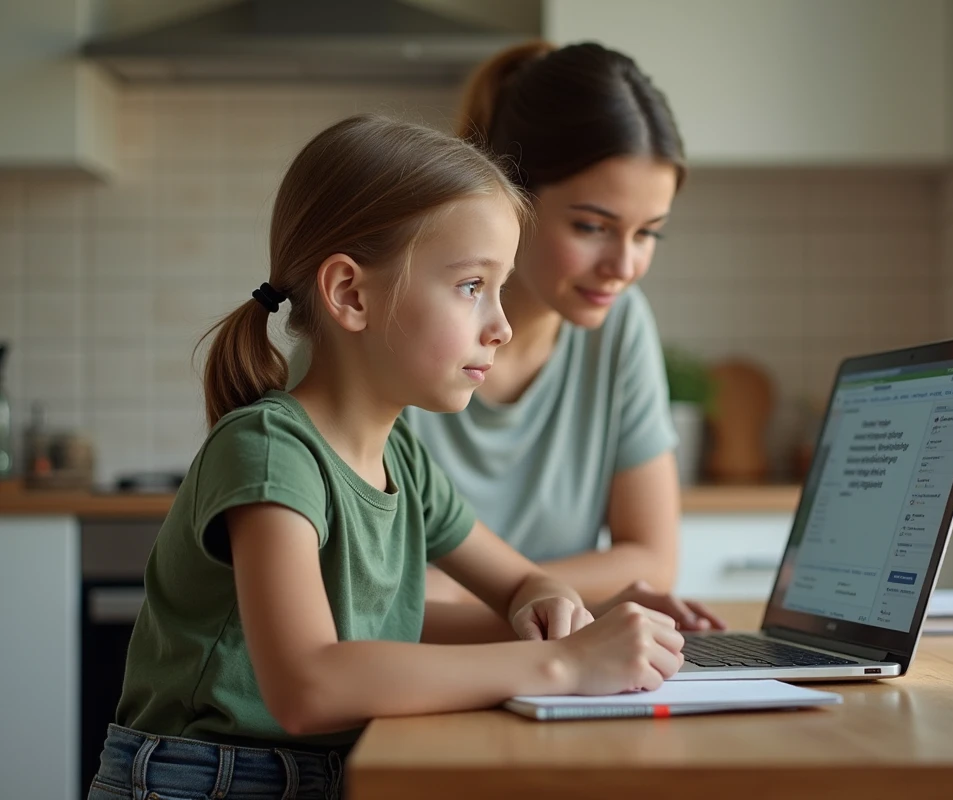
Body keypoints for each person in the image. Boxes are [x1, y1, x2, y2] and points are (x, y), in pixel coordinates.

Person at [87, 115, 684, 800]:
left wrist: (562, 613)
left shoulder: (400, 455)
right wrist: (561, 667)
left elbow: (521, 584)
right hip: (206, 780)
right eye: (471, 286)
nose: (502, 324)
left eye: (501, 287)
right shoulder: (270, 453)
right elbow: (308, 687)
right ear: (351, 294)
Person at [403, 41, 725, 631]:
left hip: (535, 655)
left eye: (650, 233)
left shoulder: (620, 323)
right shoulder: (398, 325)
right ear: (510, 195)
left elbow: (653, 559)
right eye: (591, 227)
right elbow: (364, 594)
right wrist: (554, 601)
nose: (623, 265)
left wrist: (527, 599)